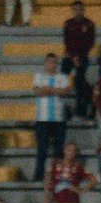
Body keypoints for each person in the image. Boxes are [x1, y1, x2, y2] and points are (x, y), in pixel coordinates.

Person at [33, 54, 71, 182]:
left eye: (54, 62)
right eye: (50, 62)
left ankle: (58, 176)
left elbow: (66, 92)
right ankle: (38, 175)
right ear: (45, 63)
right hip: (42, 119)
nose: (52, 64)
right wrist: (56, 90)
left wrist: (49, 90)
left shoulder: (63, 77)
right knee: (42, 149)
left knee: (58, 150)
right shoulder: (39, 76)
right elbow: (37, 91)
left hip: (59, 118)